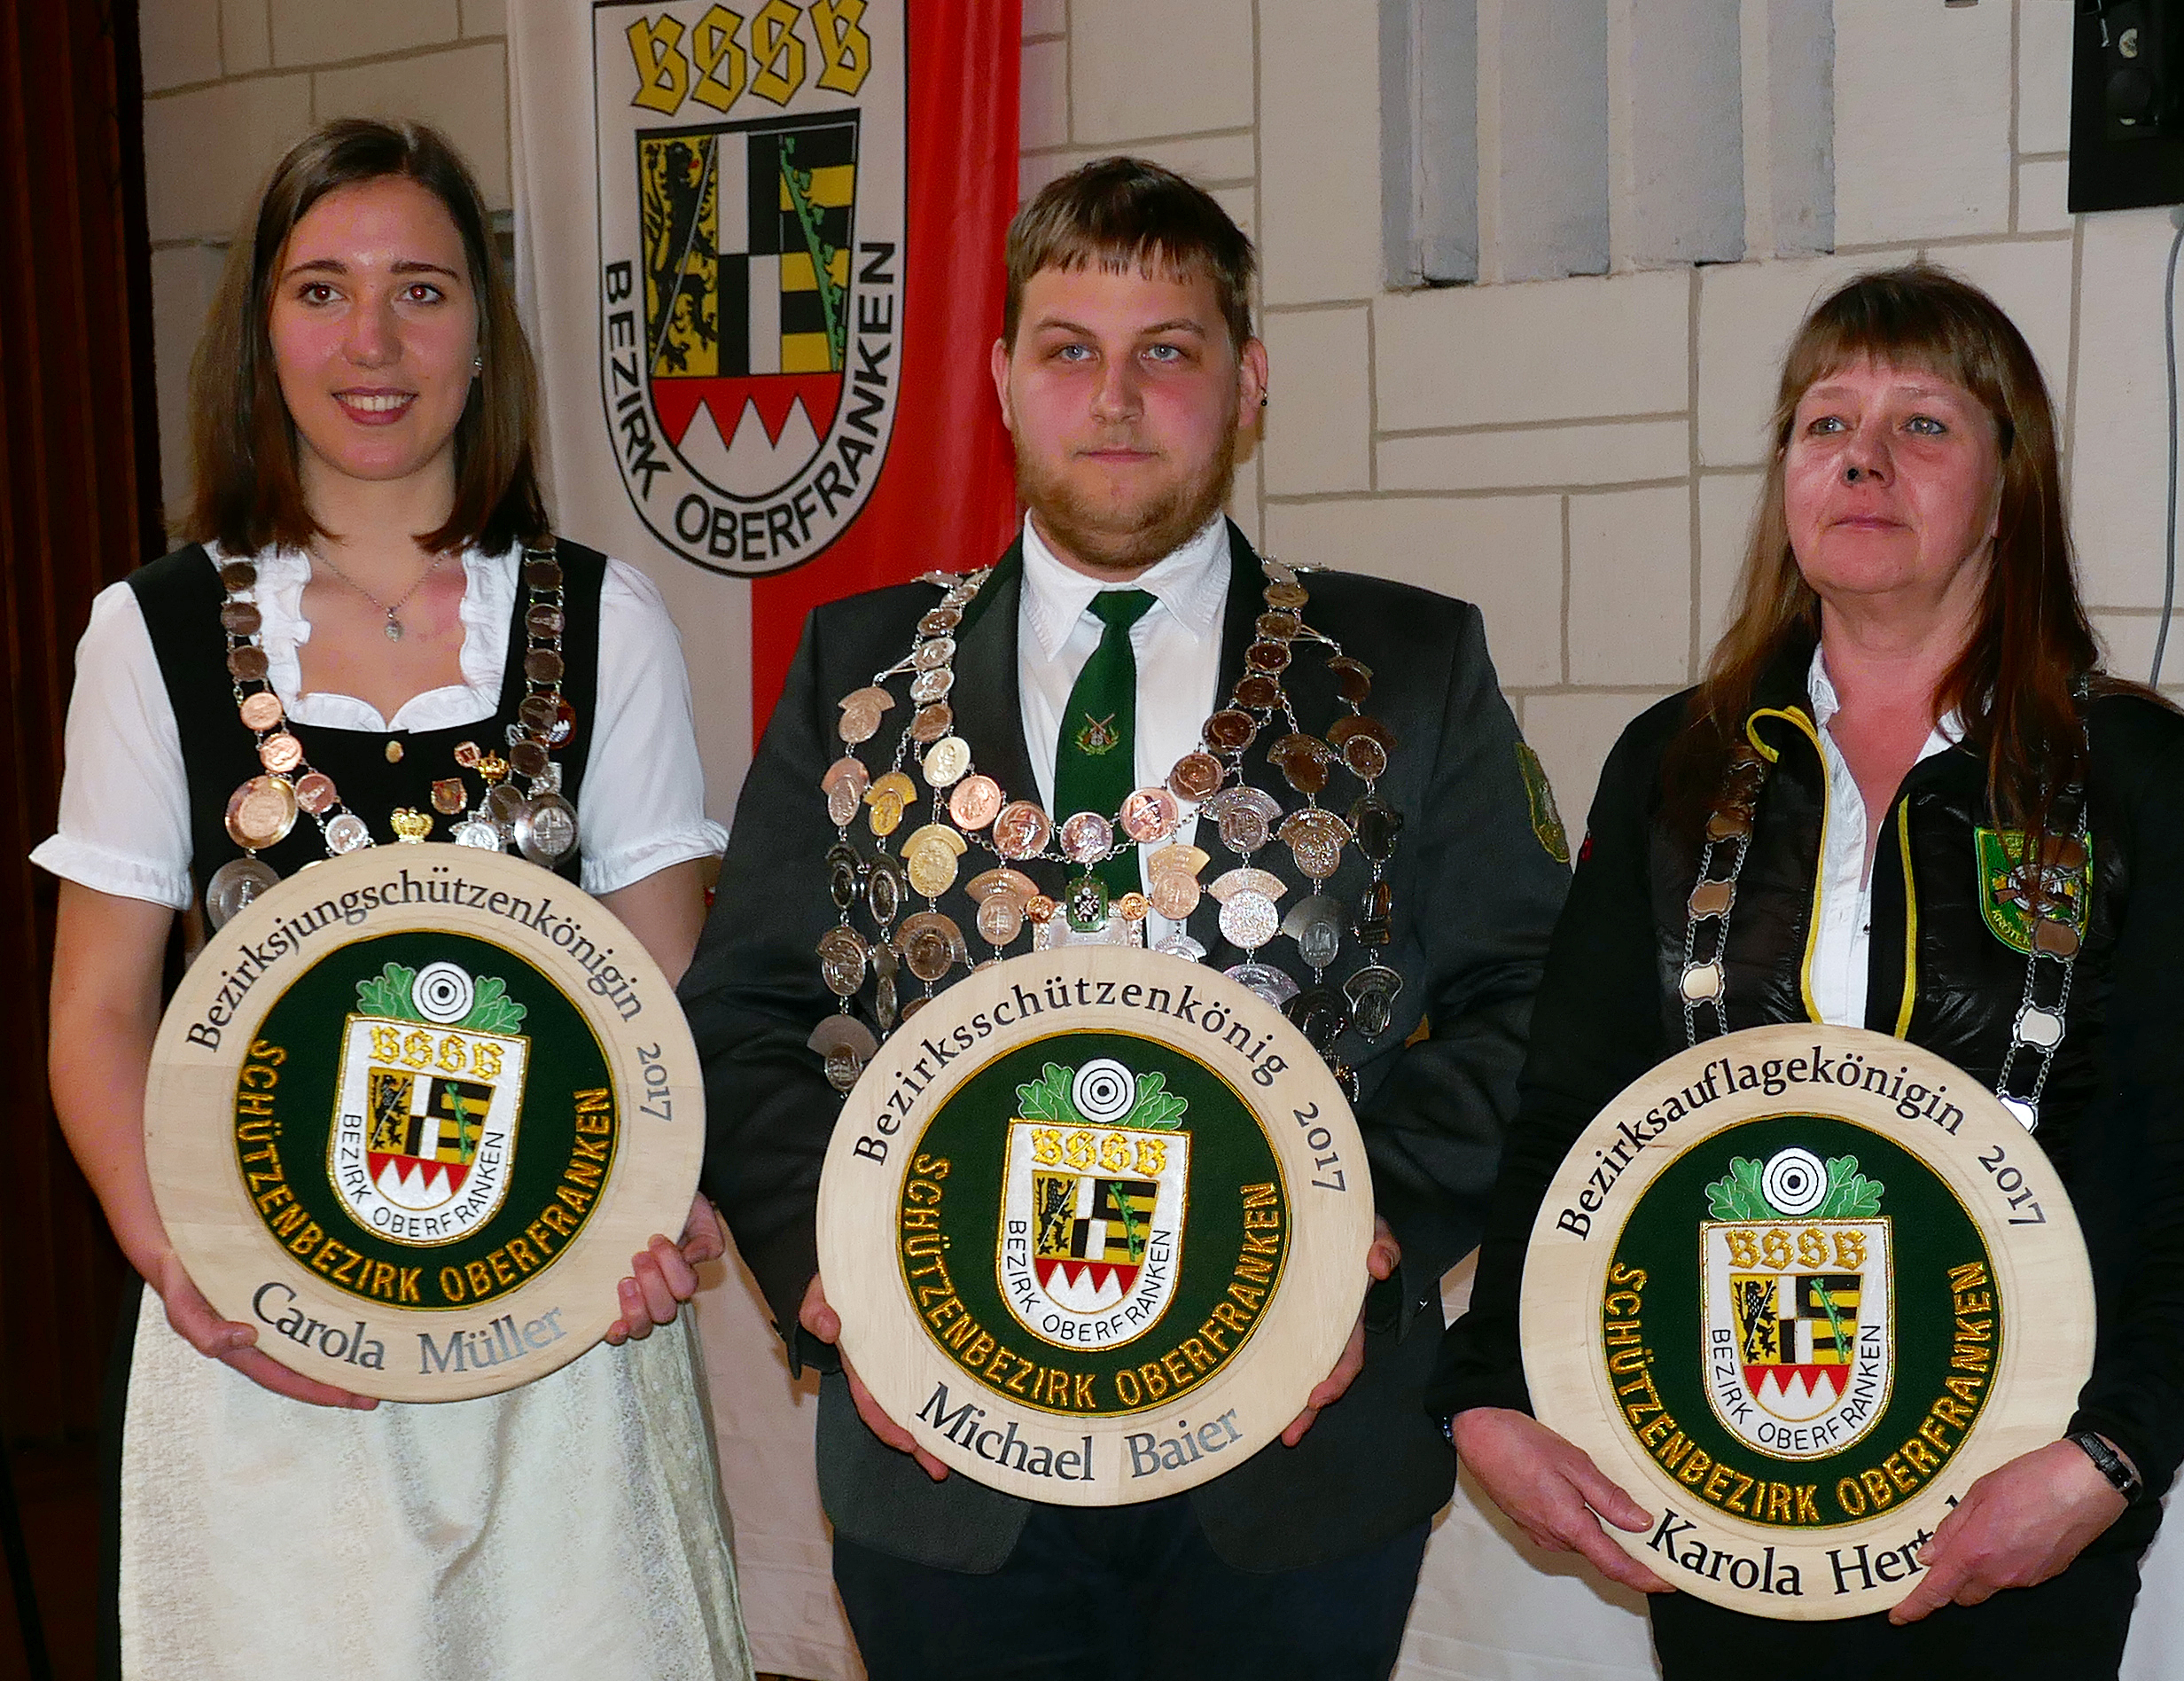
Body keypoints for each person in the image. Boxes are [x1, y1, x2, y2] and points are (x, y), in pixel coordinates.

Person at [678, 156, 1572, 1680]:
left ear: (1248, 385)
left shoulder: (1409, 666)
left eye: (1167, 351)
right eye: (1068, 351)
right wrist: (835, 1288)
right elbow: (749, 1011)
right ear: (1002, 384)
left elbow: (1536, 998)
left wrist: (1378, 1227)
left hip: (1299, 1453)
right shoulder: (856, 663)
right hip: (943, 1460)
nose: (1115, 397)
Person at [36, 119, 750, 1679]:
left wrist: (661, 1211)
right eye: (322, 291)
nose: (373, 342)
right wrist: (186, 1270)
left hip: (556, 1341)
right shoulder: (145, 631)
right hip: (261, 1336)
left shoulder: (601, 613)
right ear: (260, 333)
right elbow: (98, 1007)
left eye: (421, 292)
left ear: (485, 337)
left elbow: (665, 996)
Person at [1431, 265, 2184, 1679]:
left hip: (2020, 1495)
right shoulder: (1675, 764)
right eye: (1824, 421)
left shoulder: (2135, 780)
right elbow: (1575, 1110)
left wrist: (2112, 1459)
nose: (1862, 456)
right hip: (1721, 1463)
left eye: (1925, 425)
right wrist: (1486, 1395)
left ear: (2010, 489)